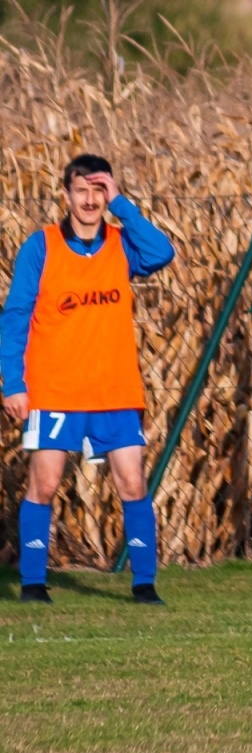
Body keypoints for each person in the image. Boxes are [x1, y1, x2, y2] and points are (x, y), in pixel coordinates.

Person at [4, 155, 176, 605]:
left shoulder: (121, 244)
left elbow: (162, 253)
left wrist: (124, 205)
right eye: (82, 190)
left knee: (133, 483)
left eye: (99, 192)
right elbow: (16, 316)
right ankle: (34, 585)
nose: (90, 200)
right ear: (66, 195)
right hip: (55, 390)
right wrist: (12, 383)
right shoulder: (40, 247)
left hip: (115, 390)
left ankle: (144, 585)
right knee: (44, 484)